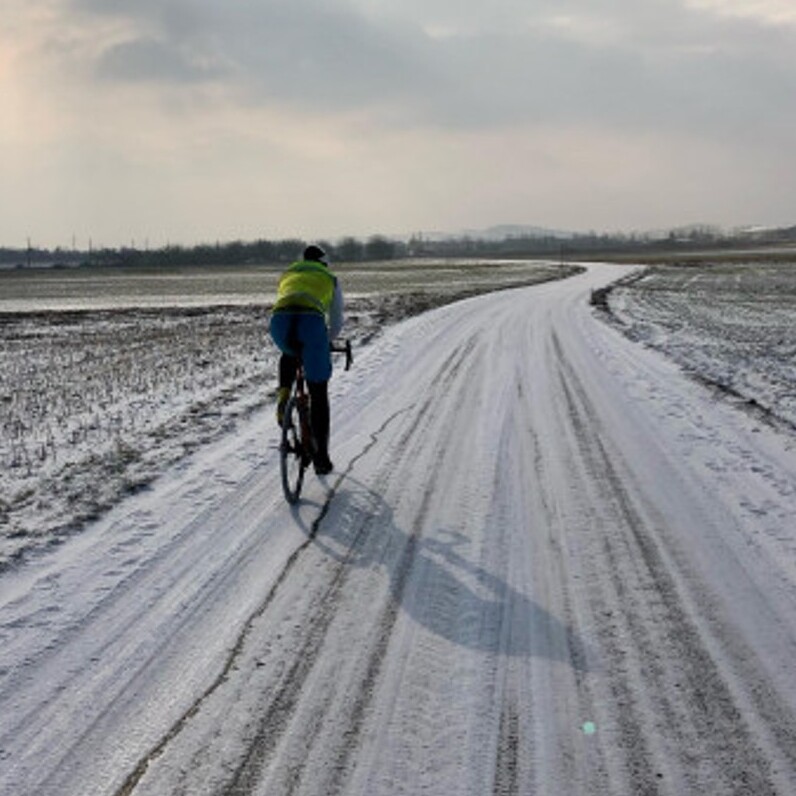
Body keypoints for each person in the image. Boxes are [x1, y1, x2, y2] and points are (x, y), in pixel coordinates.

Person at [269, 244, 344, 475]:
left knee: (290, 352)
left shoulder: (288, 274)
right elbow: (337, 318)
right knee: (318, 391)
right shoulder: (329, 278)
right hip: (311, 324)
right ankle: (321, 458)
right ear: (323, 262)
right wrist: (327, 341)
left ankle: (283, 394)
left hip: (279, 323)